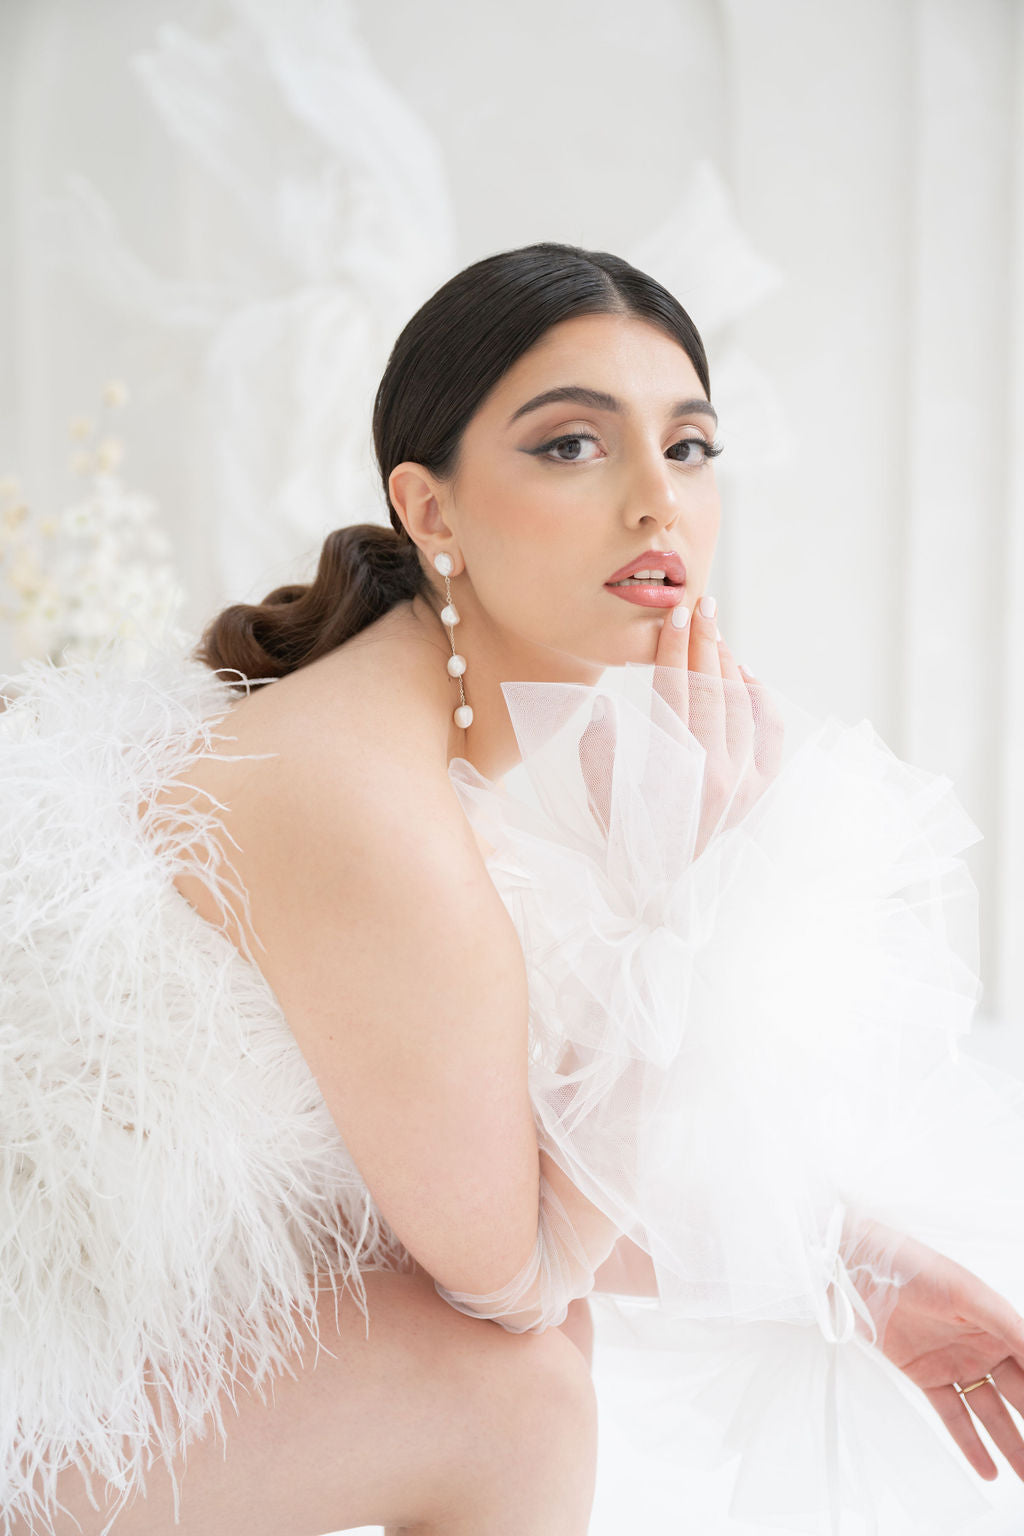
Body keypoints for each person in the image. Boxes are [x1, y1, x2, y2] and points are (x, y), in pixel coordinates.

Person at [4, 241, 1024, 1536]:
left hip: (101, 1299)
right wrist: (677, 891)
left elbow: (461, 1181)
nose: (658, 502)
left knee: (539, 1354)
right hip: (32, 1363)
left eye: (690, 446)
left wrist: (852, 1265)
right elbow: (516, 1277)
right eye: (573, 445)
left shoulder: (421, 732)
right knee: (520, 1395)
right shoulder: (369, 802)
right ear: (431, 514)